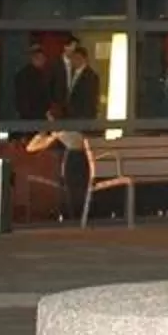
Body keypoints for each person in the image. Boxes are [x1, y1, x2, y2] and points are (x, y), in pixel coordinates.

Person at [57, 40, 102, 217]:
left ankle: (77, 208)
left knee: (76, 165)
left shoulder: (90, 77)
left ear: (82, 58)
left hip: (80, 127)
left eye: (75, 57)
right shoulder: (75, 75)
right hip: (74, 126)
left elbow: (88, 105)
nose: (72, 61)